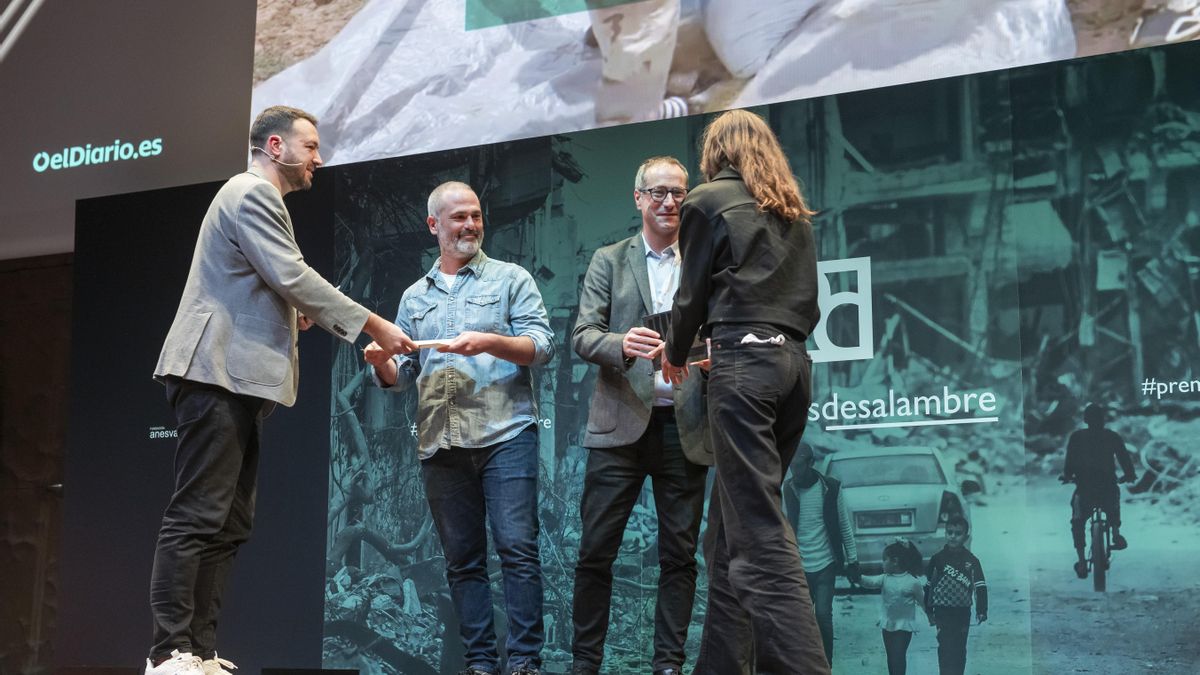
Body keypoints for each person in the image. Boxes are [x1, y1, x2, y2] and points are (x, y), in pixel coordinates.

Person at [147, 106, 416, 675]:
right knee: (199, 514)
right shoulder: (252, 193)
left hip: (234, 376)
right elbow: (291, 274)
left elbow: (264, 281)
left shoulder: (257, 199)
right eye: (311, 146)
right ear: (275, 146)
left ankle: (199, 651)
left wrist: (294, 313)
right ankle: (168, 651)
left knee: (229, 522)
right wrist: (373, 325)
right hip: (213, 370)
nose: (319, 158)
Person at [363, 181, 555, 675]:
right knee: (463, 561)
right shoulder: (414, 296)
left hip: (506, 433)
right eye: (459, 218)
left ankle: (525, 662)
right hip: (440, 441)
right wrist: (382, 363)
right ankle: (481, 663)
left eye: (476, 216)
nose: (471, 225)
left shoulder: (511, 278)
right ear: (434, 226)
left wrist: (488, 341)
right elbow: (404, 375)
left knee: (517, 550)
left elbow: (542, 346)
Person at [660, 109, 827, 674]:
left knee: (757, 535)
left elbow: (690, 295)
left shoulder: (707, 201)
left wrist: (675, 352)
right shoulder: (792, 213)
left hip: (744, 366)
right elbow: (811, 308)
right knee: (728, 534)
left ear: (717, 151)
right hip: (793, 367)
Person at [570, 156, 711, 675]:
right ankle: (585, 663)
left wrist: (711, 354)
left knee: (679, 556)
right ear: (638, 198)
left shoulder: (704, 261)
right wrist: (620, 344)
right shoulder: (609, 260)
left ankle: (668, 664)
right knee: (595, 552)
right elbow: (582, 335)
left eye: (678, 192)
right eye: (658, 192)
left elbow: (721, 329)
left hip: (685, 424)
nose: (669, 201)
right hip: (619, 426)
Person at [782, 443, 861, 664]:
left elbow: (844, 525)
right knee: (802, 619)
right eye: (791, 467)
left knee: (823, 615)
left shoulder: (831, 488)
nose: (795, 472)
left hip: (826, 562)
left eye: (799, 466)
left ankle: (826, 665)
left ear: (811, 463)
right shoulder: (788, 489)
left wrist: (853, 560)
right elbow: (784, 528)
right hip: (799, 565)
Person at [1061, 403, 1137, 578]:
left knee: (1077, 520)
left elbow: (1069, 460)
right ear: (1104, 420)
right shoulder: (1112, 436)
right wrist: (1129, 475)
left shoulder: (1076, 437)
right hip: (1107, 485)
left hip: (1085, 487)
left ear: (1085, 420)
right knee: (1114, 501)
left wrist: (1067, 476)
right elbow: (1124, 459)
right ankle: (1116, 534)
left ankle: (1081, 562)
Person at [924, 516, 987, 675]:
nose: (953, 536)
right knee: (944, 646)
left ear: (966, 536)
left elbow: (980, 586)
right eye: (949, 532)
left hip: (962, 612)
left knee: (959, 647)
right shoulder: (937, 559)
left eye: (958, 533)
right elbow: (929, 585)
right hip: (942, 611)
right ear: (945, 533)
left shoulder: (972, 561)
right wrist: (928, 609)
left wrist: (982, 610)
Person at [858, 540, 927, 675]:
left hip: (904, 626)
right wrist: (857, 577)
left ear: (895, 561)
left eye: (885, 560)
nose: (882, 563)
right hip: (887, 625)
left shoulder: (912, 582)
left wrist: (932, 617)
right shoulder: (885, 578)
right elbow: (869, 582)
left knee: (898, 656)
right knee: (891, 656)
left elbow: (923, 602)